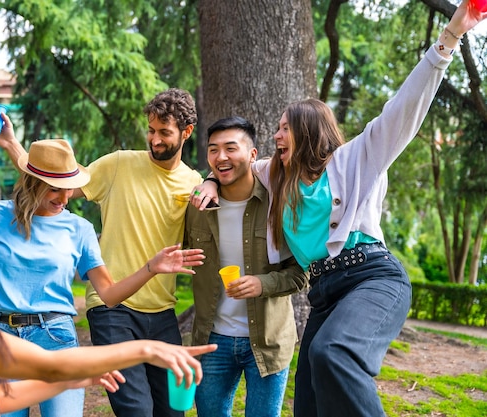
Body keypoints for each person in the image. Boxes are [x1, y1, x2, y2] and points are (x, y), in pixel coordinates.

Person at [191, 3, 487, 416]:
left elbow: (404, 109)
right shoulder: (276, 175)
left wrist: (450, 36)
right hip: (325, 293)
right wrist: (207, 179)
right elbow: (232, 167)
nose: (277, 136)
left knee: (333, 354)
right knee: (308, 402)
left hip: (372, 277)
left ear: (308, 130)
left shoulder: (354, 161)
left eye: (283, 127)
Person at [0, 196, 218, 417]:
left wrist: (70, 379)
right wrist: (147, 348)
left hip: (55, 331)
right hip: (10, 330)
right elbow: (47, 365)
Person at [0, 88, 202, 417]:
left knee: (173, 411)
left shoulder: (193, 182)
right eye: (151, 130)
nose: (155, 140)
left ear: (186, 133)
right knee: (136, 410)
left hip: (162, 312)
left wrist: (209, 183)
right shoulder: (118, 165)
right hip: (112, 306)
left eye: (164, 133)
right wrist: (11, 145)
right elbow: (54, 179)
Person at [184, 116, 308, 417]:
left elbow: (300, 274)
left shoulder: (279, 203)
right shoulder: (198, 206)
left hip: (268, 341)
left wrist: (261, 284)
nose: (221, 157)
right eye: (213, 150)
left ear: (253, 156)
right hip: (212, 339)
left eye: (230, 148)